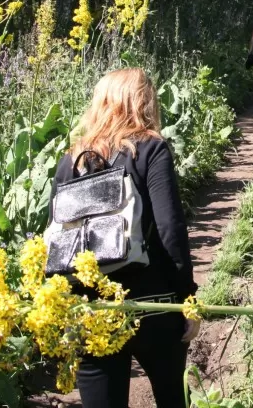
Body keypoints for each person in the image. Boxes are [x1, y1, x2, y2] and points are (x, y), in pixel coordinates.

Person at [55, 68, 200, 408]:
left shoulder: (70, 161)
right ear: (143, 103)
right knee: (171, 399)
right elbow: (170, 229)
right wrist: (187, 298)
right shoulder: (151, 149)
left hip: (92, 308)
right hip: (154, 303)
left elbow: (57, 237)